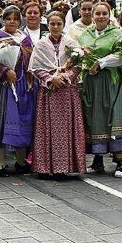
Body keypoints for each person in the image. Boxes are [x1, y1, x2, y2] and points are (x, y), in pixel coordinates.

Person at [78, 2, 122, 177]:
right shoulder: (85, 35)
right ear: (92, 16)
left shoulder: (117, 34)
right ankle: (98, 159)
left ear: (110, 15)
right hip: (91, 82)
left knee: (114, 115)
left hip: (110, 80)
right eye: (98, 13)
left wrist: (101, 62)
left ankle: (121, 161)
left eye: (104, 13)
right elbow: (78, 55)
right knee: (94, 118)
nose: (101, 16)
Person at [28, 11, 85, 179]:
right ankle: (45, 167)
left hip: (67, 92)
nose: (55, 27)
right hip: (49, 92)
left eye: (58, 24)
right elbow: (36, 67)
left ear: (63, 25)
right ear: (48, 25)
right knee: (46, 128)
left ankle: (63, 167)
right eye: (52, 24)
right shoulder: (41, 44)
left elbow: (78, 65)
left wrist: (66, 77)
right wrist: (51, 78)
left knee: (66, 128)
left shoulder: (71, 43)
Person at [0, 5, 37, 176]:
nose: (12, 22)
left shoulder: (25, 38)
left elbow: (31, 58)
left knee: (23, 122)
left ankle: (21, 161)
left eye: (15, 19)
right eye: (8, 18)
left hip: (23, 85)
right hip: (5, 86)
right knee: (2, 122)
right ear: (3, 19)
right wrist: (6, 71)